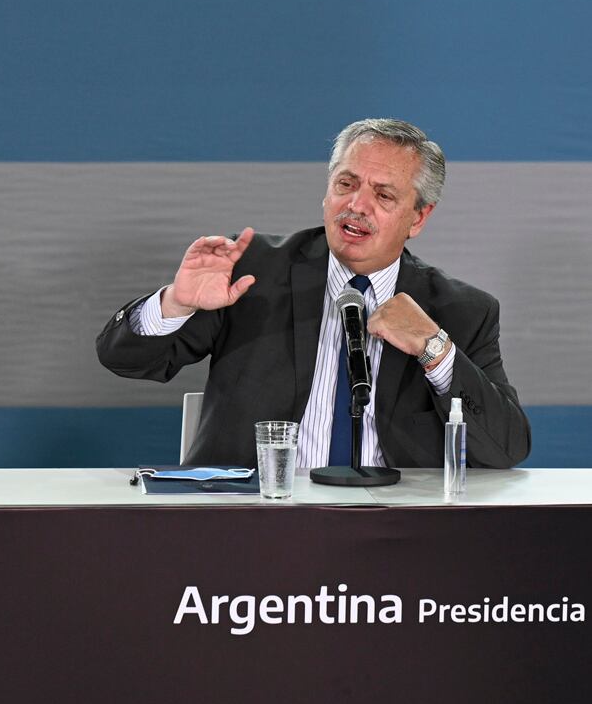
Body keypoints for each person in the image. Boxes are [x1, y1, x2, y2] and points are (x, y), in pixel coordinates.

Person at [97, 118, 530, 468]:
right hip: (254, 522)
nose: (356, 205)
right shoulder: (251, 273)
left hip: (396, 532)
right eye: (346, 184)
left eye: (382, 195)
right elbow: (123, 360)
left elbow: (506, 448)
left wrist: (435, 350)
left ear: (418, 218)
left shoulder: (461, 311)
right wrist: (177, 302)